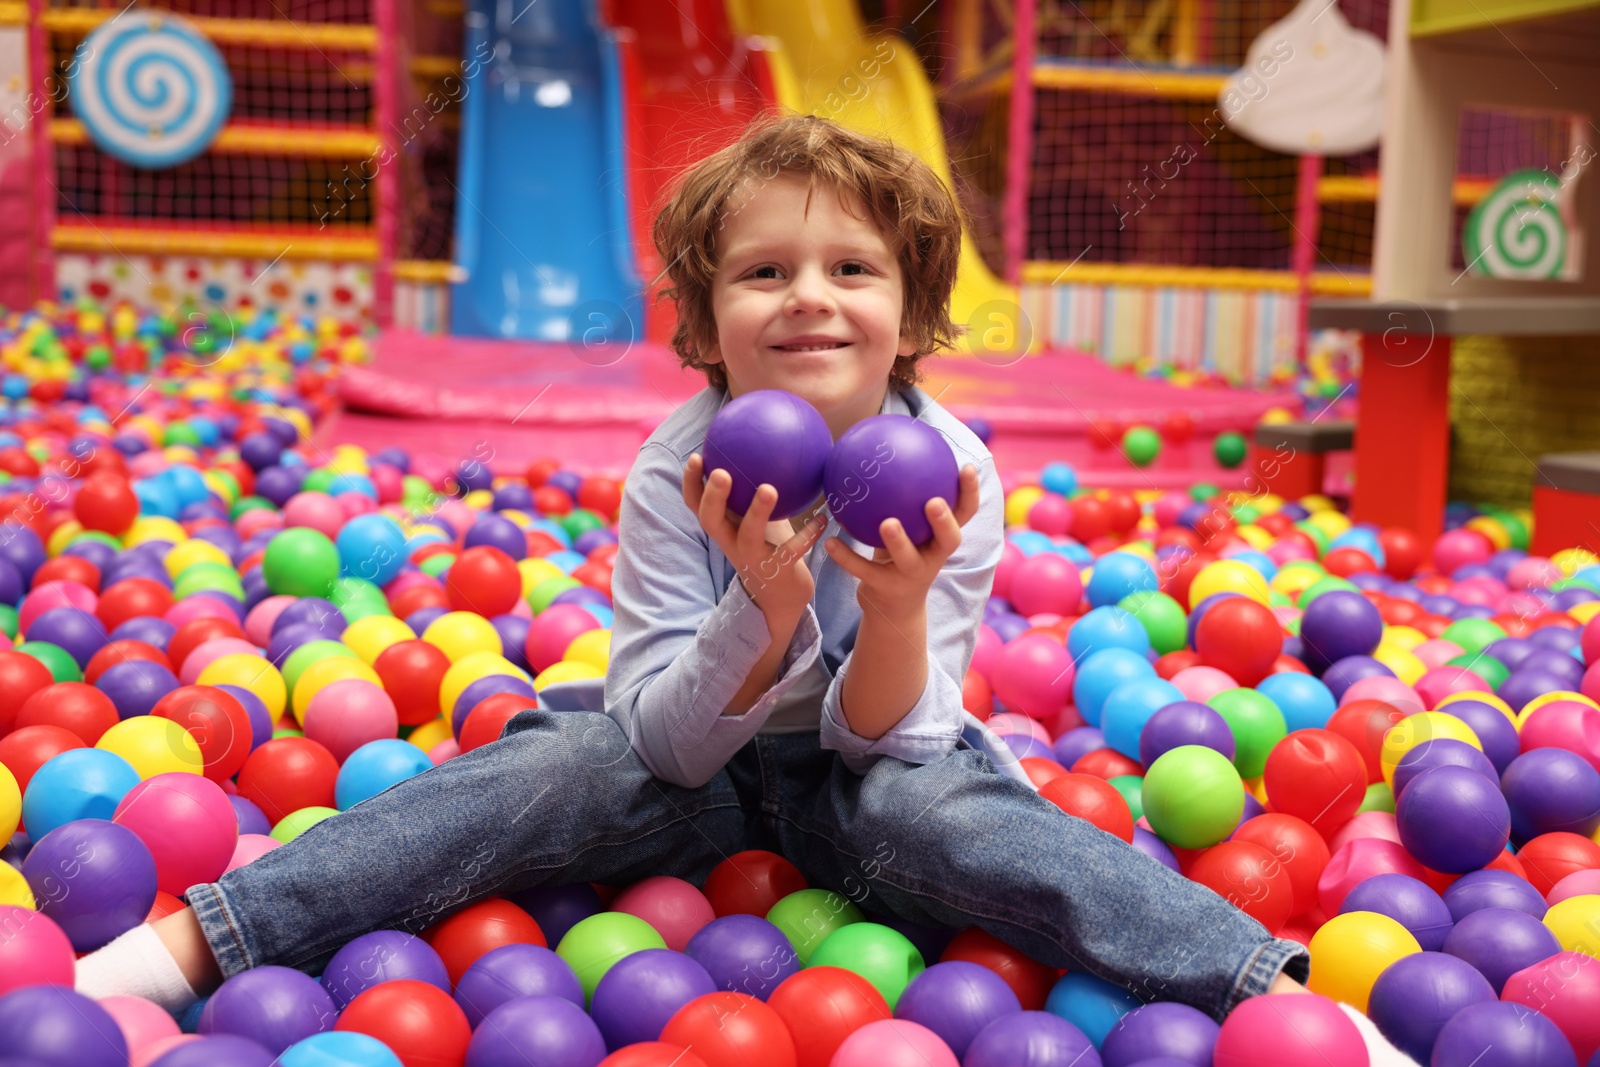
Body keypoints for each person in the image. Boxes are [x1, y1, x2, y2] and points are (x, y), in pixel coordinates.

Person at [76, 113, 1409, 1058]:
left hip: (866, 766)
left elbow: (896, 737)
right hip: (684, 759)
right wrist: (762, 610)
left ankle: (1277, 998)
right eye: (763, 274)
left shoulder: (950, 469)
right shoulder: (674, 467)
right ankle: (192, 948)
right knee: (534, 779)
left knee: (980, 832)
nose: (809, 301)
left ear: (913, 306)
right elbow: (659, 733)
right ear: (705, 322)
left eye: (852, 271)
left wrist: (887, 610)